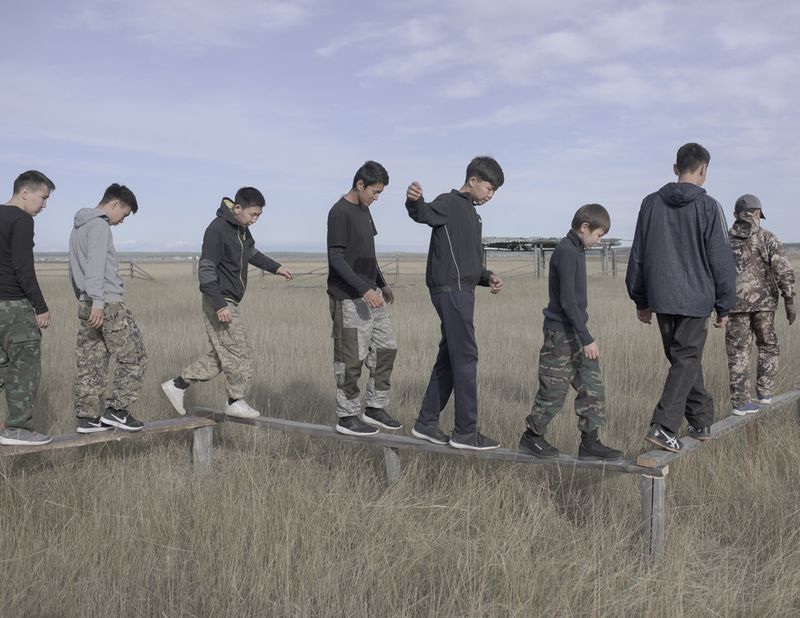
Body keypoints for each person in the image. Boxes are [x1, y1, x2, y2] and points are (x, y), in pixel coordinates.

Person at [626, 143, 736, 452]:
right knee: (685, 359)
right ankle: (662, 427)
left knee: (683, 359)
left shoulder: (649, 203)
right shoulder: (709, 206)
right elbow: (721, 260)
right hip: (695, 298)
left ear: (676, 169)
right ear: (703, 170)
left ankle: (700, 419)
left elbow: (638, 255)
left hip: (661, 297)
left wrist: (641, 298)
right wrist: (724, 305)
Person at [161, 187, 292, 418]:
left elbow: (252, 254)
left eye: (259, 216)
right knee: (242, 354)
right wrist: (220, 304)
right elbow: (207, 268)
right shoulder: (217, 230)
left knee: (225, 354)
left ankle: (178, 384)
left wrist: (276, 267)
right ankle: (234, 401)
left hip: (228, 300)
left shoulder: (242, 231)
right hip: (220, 300)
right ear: (238, 208)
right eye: (253, 214)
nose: (255, 220)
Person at [405, 156, 504, 450]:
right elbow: (423, 213)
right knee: (466, 358)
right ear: (472, 180)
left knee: (450, 358)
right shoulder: (448, 202)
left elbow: (468, 261)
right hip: (452, 292)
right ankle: (465, 432)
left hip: (463, 290)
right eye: (488, 188)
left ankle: (426, 423)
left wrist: (487, 277)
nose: (490, 195)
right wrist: (414, 201)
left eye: (495, 192)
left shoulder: (473, 215)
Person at [519, 204, 622, 460]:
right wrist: (586, 337)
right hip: (560, 335)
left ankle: (590, 443)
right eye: (598, 235)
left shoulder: (577, 250)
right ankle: (532, 437)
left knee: (592, 387)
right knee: (553, 392)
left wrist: (583, 335)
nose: (599, 241)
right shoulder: (566, 251)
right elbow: (567, 301)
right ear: (584, 227)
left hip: (575, 332)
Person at [327, 161, 400, 436]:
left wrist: (382, 284)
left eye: (380, 193)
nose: (376, 198)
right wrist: (364, 289)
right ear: (360, 184)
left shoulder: (365, 211)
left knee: (386, 349)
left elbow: (368, 254)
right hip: (348, 298)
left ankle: (375, 408)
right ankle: (347, 416)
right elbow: (335, 259)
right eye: (375, 192)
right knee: (351, 359)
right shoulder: (339, 213)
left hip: (373, 295)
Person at [69, 183, 148, 433]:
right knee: (135, 357)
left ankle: (88, 418)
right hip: (107, 303)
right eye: (123, 214)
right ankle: (117, 411)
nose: (121, 221)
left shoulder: (78, 226)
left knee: (91, 362)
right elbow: (95, 266)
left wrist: (86, 300)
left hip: (87, 302)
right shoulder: (100, 226)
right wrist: (100, 302)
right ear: (114, 204)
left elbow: (74, 269)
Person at [725, 194, 795, 415]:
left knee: (738, 351)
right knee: (767, 346)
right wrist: (789, 300)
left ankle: (741, 403)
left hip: (733, 304)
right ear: (756, 213)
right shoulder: (767, 237)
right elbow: (782, 269)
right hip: (764, 304)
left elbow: (713, 271)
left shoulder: (723, 240)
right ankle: (764, 394)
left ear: (736, 214)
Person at [0, 171, 55, 446]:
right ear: (25, 192)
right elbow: (23, 268)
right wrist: (40, 307)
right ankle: (17, 428)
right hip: (13, 307)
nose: (44, 205)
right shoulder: (21, 220)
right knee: (24, 368)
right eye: (42, 198)